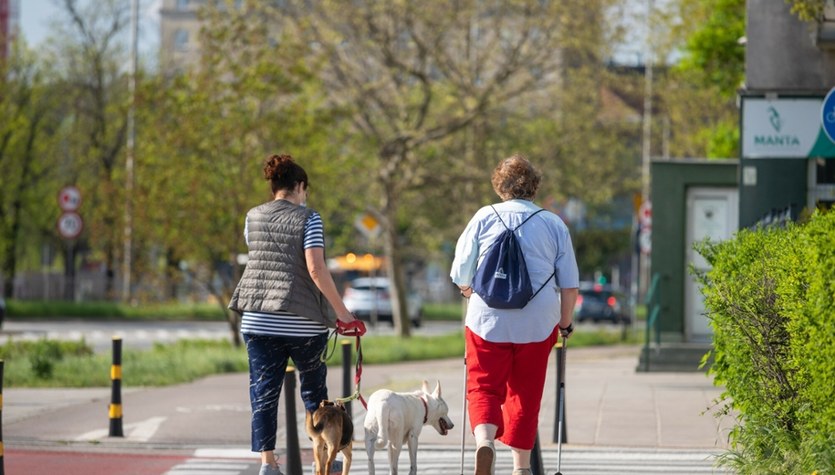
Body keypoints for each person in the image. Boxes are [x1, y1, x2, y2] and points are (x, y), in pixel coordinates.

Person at [229, 154, 366, 475]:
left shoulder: (253, 217)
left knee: (263, 393)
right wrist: (343, 314)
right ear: (300, 186)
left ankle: (267, 465)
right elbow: (316, 268)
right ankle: (323, 462)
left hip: (257, 319)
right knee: (315, 394)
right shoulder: (309, 218)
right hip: (302, 323)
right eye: (306, 191)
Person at [449, 154, 579, 475]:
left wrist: (469, 291)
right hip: (537, 323)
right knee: (526, 392)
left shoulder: (483, 217)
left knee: (483, 386)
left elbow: (460, 273)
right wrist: (565, 324)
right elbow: (570, 284)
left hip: (486, 320)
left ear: (499, 185)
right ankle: (521, 468)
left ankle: (485, 442)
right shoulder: (553, 224)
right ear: (534, 186)